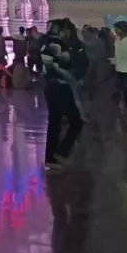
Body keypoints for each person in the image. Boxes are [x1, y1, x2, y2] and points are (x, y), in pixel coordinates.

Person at [41, 25, 85, 171]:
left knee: (54, 123)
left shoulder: (47, 43)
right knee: (76, 121)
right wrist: (69, 76)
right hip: (60, 87)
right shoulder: (57, 44)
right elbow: (58, 66)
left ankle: (50, 158)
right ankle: (61, 152)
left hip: (51, 88)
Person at [114, 20, 127, 121]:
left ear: (122, 29)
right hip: (120, 70)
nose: (116, 31)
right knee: (124, 93)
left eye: (117, 29)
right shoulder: (117, 40)